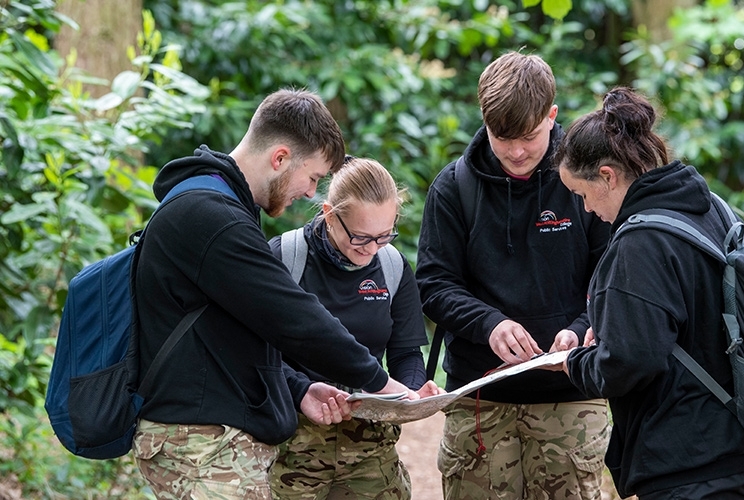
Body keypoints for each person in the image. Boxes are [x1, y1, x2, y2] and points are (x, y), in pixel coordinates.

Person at [132, 89, 416, 499]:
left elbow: (238, 331)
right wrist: (380, 383)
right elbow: (293, 319)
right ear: (280, 158)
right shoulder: (214, 218)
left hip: (216, 436)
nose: (308, 191)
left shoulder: (218, 204)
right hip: (197, 442)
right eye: (314, 177)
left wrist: (300, 390)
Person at [552, 86, 744, 499]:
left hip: (694, 460)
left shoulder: (639, 244)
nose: (587, 209)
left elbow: (631, 361)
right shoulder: (711, 206)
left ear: (607, 176)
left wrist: (576, 363)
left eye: (582, 194)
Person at [415, 51, 612, 499]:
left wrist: (580, 329)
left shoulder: (588, 180)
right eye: (502, 137)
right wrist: (490, 325)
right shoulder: (453, 188)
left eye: (527, 136)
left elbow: (612, 273)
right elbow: (433, 284)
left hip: (573, 394)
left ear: (552, 115)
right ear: (484, 121)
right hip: (480, 397)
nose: (517, 151)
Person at [266, 156, 443, 499]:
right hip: (291, 448)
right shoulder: (286, 258)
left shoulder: (391, 266)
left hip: (370, 453)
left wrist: (410, 394)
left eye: (385, 235)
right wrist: (301, 389)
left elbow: (406, 352)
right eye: (361, 237)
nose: (372, 249)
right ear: (330, 214)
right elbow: (258, 352)